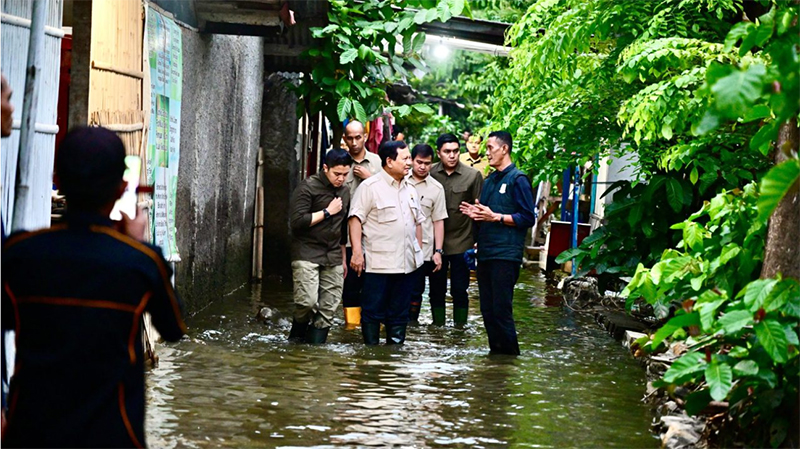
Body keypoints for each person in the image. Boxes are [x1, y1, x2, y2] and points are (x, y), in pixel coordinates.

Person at [1, 126, 187, 447]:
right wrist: (137, 244)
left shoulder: (19, 253)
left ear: (59, 181)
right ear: (120, 189)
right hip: (112, 435)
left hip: (30, 433)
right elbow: (173, 328)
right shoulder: (140, 263)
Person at [460, 131, 536, 355]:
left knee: (502, 310)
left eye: (491, 147)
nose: (487, 152)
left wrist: (497, 217)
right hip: (485, 253)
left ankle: (511, 359)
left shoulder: (518, 179)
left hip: (506, 254)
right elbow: (486, 214)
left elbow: (527, 218)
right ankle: (496, 359)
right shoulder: (490, 180)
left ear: (505, 149)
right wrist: (476, 214)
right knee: (488, 310)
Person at [348, 140, 424, 345]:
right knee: (372, 312)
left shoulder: (410, 189)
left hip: (406, 264)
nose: (410, 163)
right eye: (405, 158)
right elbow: (355, 219)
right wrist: (356, 252)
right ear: (389, 161)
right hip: (378, 265)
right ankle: (371, 358)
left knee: (400, 314)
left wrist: (420, 253)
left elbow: (417, 223)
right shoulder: (370, 187)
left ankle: (393, 359)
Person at [288, 148, 353, 344]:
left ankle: (316, 351)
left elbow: (342, 228)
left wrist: (343, 259)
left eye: (345, 174)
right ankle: (296, 340)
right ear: (325, 168)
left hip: (332, 254)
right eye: (337, 174)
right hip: (307, 251)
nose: (341, 179)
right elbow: (297, 221)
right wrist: (327, 211)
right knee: (306, 303)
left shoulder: (345, 191)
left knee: (329, 307)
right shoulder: (308, 187)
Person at [430, 133, 482, 326]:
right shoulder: (430, 173)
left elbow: (480, 210)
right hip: (436, 243)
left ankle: (460, 330)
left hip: (463, 240)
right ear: (438, 153)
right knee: (436, 289)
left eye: (455, 151)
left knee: (460, 289)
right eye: (447, 152)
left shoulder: (473, 175)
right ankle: (438, 328)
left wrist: (478, 241)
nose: (452, 155)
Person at [341, 120, 382, 329]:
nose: (355, 142)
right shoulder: (339, 161)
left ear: (365, 137)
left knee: (374, 285)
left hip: (375, 237)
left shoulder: (377, 161)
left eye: (358, 137)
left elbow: (388, 192)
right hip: (346, 238)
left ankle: (372, 327)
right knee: (349, 286)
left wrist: (370, 178)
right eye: (350, 137)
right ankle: (350, 330)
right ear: (344, 138)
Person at [407, 144, 447, 323]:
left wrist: (438, 251)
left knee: (416, 291)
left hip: (423, 250)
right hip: (397, 247)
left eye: (427, 163)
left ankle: (412, 328)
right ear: (411, 161)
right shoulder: (401, 181)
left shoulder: (437, 188)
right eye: (419, 162)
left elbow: (438, 220)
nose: (423, 167)